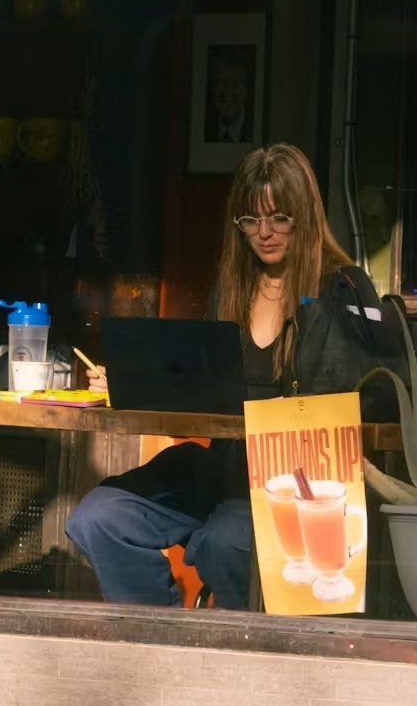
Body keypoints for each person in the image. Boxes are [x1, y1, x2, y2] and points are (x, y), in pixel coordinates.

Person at [66, 142, 375, 610]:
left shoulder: (340, 288)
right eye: (250, 221)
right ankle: (159, 644)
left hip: (289, 479)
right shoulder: (233, 286)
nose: (264, 233)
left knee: (224, 541)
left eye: (279, 219)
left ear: (305, 216)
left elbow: (344, 401)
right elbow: (203, 389)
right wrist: (137, 383)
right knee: (100, 518)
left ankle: (237, 660)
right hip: (222, 466)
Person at [204, 47, 254, 143]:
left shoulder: (252, 129)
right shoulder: (206, 129)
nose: (227, 91)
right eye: (220, 82)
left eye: (234, 83)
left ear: (245, 90)